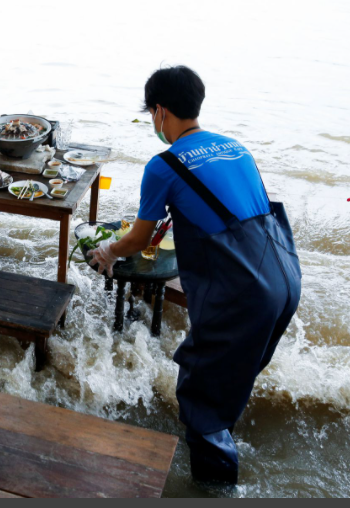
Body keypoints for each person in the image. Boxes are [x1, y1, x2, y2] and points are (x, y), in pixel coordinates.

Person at [89, 66, 302, 484]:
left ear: (160, 112)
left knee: (200, 395)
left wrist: (107, 251)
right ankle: (219, 451)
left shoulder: (163, 165)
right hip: (283, 278)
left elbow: (136, 239)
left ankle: (212, 489)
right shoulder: (236, 147)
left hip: (243, 292)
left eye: (152, 112)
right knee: (224, 382)